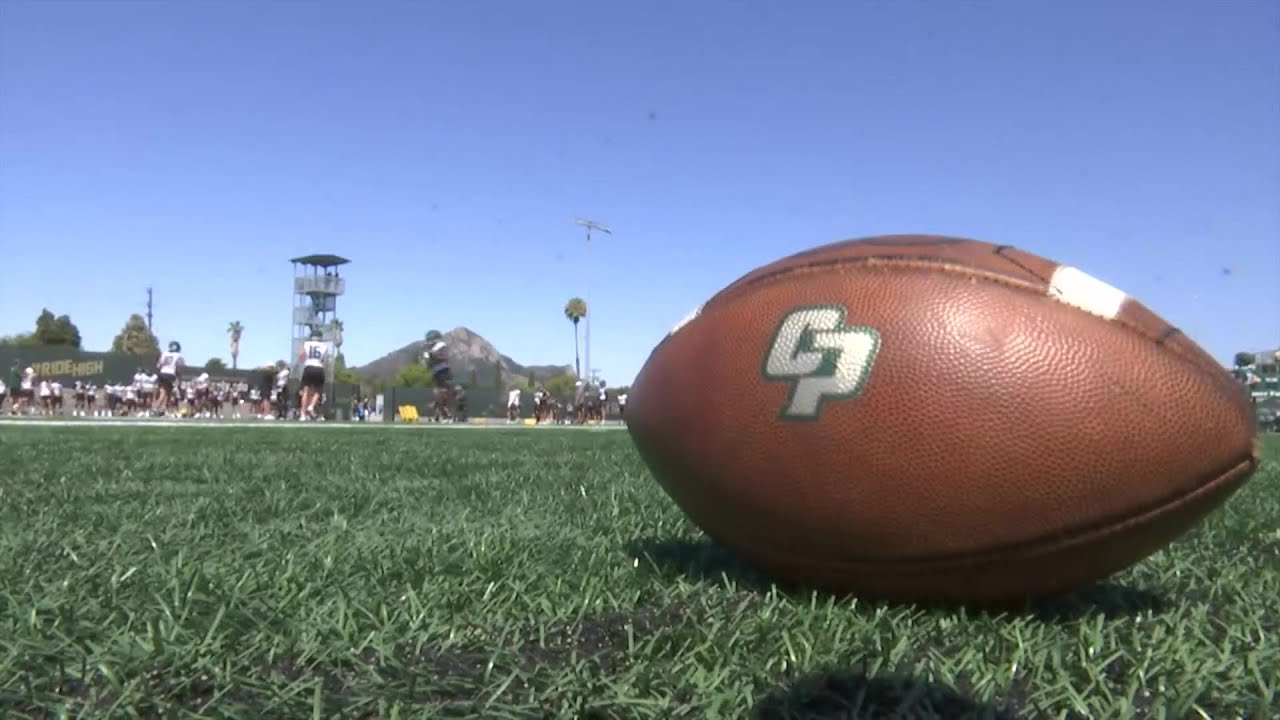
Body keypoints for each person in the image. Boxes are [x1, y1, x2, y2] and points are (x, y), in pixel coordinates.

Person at [298, 327, 332, 420]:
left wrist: (304, 361)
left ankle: (303, 415)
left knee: (305, 391)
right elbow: (325, 360)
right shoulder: (324, 346)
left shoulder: (306, 344)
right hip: (319, 368)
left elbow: (301, 355)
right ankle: (311, 406)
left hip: (308, 367)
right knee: (318, 391)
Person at [422, 330, 455, 422]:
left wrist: (431, 355)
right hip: (437, 373)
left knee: (441, 395)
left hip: (443, 373)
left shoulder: (441, 346)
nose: (427, 342)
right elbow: (428, 364)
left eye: (429, 339)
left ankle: (447, 417)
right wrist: (427, 359)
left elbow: (443, 358)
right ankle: (437, 417)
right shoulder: (430, 350)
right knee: (437, 396)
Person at [155, 341, 185, 415]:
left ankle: (162, 409)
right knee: (166, 392)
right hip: (171, 374)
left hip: (162, 373)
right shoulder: (178, 355)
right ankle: (156, 408)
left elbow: (158, 365)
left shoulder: (164, 353)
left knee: (165, 392)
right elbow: (179, 367)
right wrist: (179, 376)